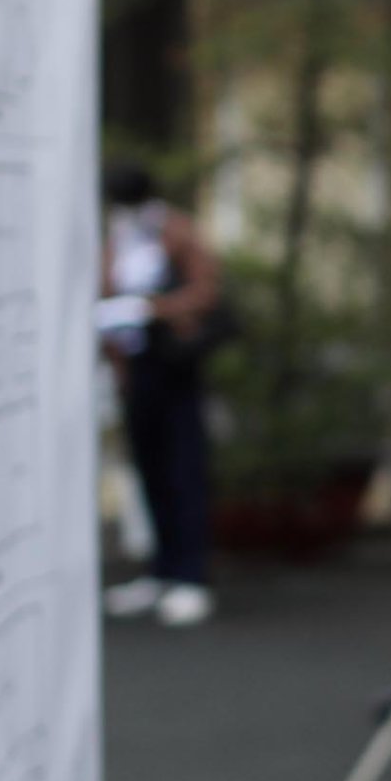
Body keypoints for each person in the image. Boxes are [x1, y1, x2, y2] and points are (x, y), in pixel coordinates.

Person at [98, 161, 220, 628]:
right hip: (134, 365)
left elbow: (206, 290)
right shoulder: (118, 236)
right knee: (148, 465)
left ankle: (191, 575)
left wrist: (154, 309)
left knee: (183, 465)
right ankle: (163, 569)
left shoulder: (174, 231)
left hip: (173, 362)